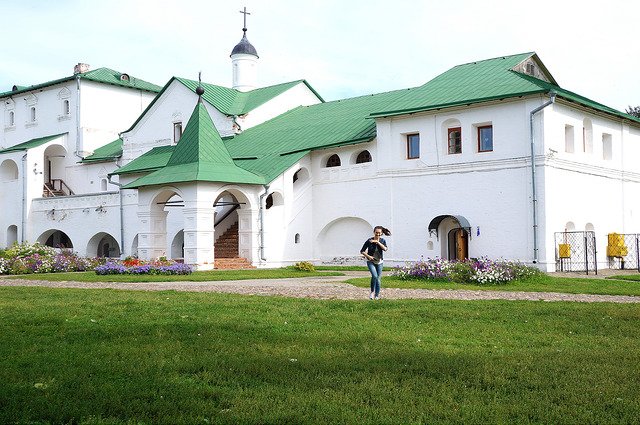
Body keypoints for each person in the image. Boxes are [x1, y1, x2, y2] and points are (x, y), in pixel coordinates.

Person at [360, 226, 391, 300]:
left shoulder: (382, 240)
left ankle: (377, 295)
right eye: (376, 233)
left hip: (379, 262)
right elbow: (362, 251)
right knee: (375, 276)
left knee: (378, 279)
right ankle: (372, 292)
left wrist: (377, 242)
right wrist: (368, 256)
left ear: (381, 233)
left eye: (379, 233)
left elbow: (385, 249)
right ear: (374, 232)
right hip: (370, 261)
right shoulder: (369, 241)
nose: (378, 234)